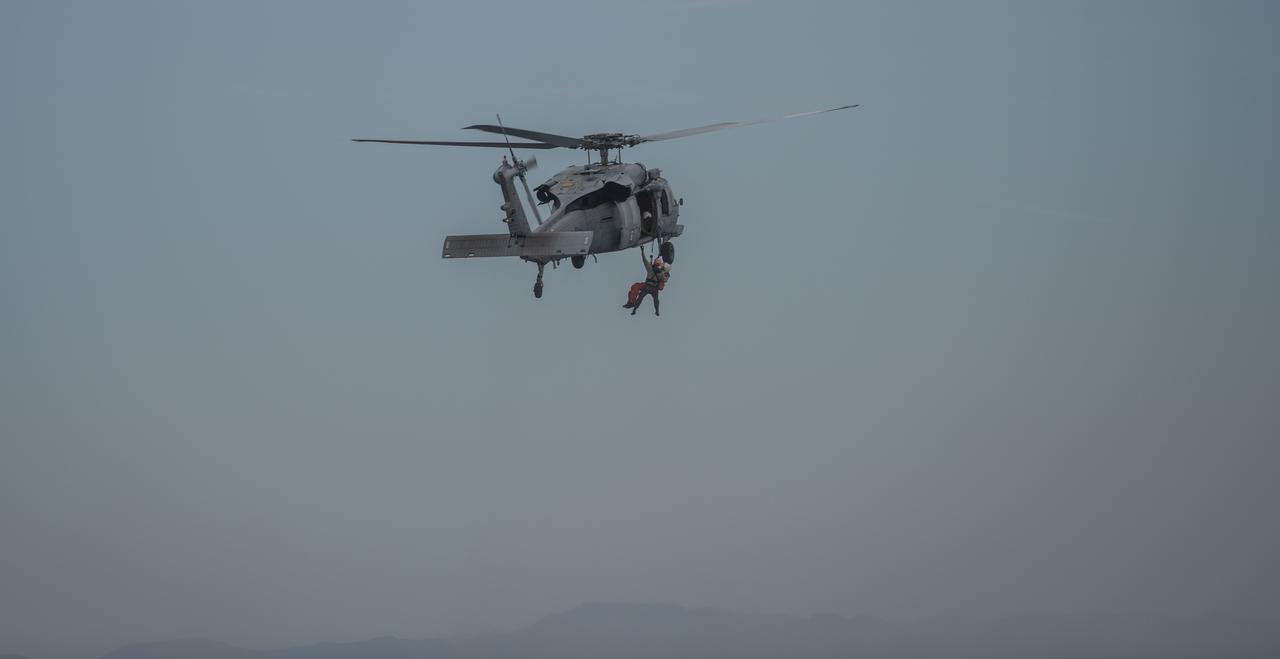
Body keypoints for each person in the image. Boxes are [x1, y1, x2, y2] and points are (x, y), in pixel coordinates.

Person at [624, 246, 668, 316]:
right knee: (656, 300)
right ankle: (657, 311)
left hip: (647, 286)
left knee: (639, 295)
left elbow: (644, 260)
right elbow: (665, 280)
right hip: (654, 288)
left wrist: (642, 251)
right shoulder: (661, 272)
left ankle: (633, 307)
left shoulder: (650, 268)